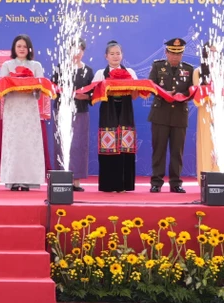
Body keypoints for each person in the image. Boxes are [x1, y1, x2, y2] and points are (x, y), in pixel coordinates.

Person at [0, 34, 45, 191]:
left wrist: (30, 86)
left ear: (29, 48)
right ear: (14, 48)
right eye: (18, 46)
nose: (21, 49)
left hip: (29, 109)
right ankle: (12, 179)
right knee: (14, 143)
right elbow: (2, 86)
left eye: (24, 46)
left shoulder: (36, 65)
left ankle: (28, 180)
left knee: (28, 143)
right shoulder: (7, 65)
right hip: (13, 108)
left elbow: (40, 87)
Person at [148, 38, 194, 194]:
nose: (175, 56)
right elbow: (151, 86)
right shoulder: (157, 66)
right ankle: (156, 182)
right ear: (166, 52)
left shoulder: (189, 69)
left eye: (179, 53)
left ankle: (175, 183)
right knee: (158, 150)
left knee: (177, 151)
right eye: (172, 53)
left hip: (179, 115)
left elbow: (193, 90)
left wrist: (185, 94)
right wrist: (163, 94)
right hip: (160, 114)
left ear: (182, 54)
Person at [92, 40, 138, 193]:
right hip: (108, 111)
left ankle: (125, 185)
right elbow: (94, 94)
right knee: (108, 145)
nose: (115, 57)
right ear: (106, 56)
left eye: (118, 53)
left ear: (122, 55)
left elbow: (135, 95)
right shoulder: (100, 73)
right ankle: (108, 185)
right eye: (112, 54)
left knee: (125, 146)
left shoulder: (130, 72)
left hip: (125, 110)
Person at [51, 39, 94, 192]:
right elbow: (52, 89)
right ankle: (62, 179)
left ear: (83, 52)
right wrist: (64, 93)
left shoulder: (88, 71)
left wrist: (87, 97)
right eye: (73, 49)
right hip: (62, 112)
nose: (76, 53)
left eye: (80, 50)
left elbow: (93, 94)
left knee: (79, 146)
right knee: (61, 145)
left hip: (81, 113)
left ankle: (76, 181)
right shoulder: (60, 68)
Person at [194, 42, 218, 184]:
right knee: (207, 142)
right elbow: (197, 95)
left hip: (220, 111)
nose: (213, 55)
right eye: (210, 52)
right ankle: (206, 177)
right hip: (205, 112)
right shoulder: (198, 71)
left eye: (216, 52)